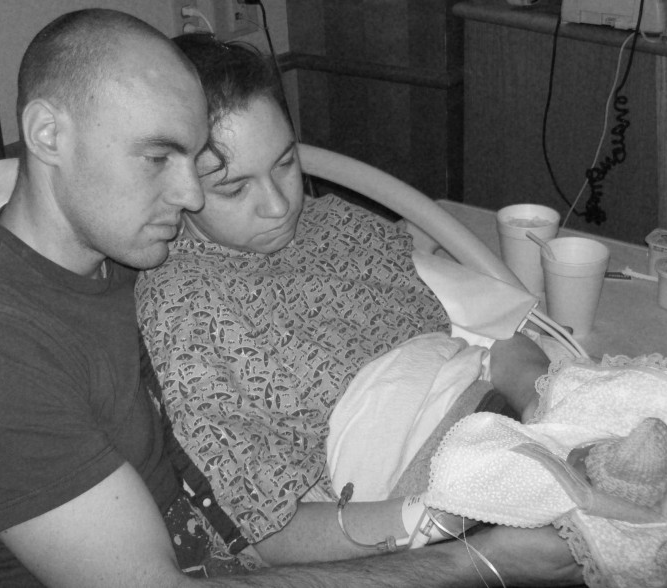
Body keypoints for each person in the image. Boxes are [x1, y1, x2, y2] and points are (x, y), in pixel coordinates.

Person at [0, 8, 583, 588]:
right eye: (157, 158)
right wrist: (479, 560)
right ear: (47, 135)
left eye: (194, 161)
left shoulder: (118, 249)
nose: (191, 198)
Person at [135, 33, 560, 569]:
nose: (278, 205)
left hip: (487, 400)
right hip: (409, 499)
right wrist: (434, 521)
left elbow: (446, 342)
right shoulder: (187, 308)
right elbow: (265, 529)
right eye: (233, 188)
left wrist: (533, 387)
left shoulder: (336, 224)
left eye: (285, 163)